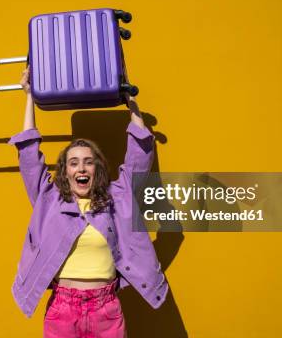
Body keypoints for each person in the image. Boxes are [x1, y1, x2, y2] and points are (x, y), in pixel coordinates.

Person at [9, 68, 168, 338]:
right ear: (65, 171)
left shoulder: (117, 199)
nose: (81, 168)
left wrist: (131, 101)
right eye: (73, 163)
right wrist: (29, 97)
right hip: (62, 310)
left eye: (88, 161)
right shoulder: (49, 200)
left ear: (97, 169)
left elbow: (139, 157)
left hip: (106, 310)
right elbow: (29, 158)